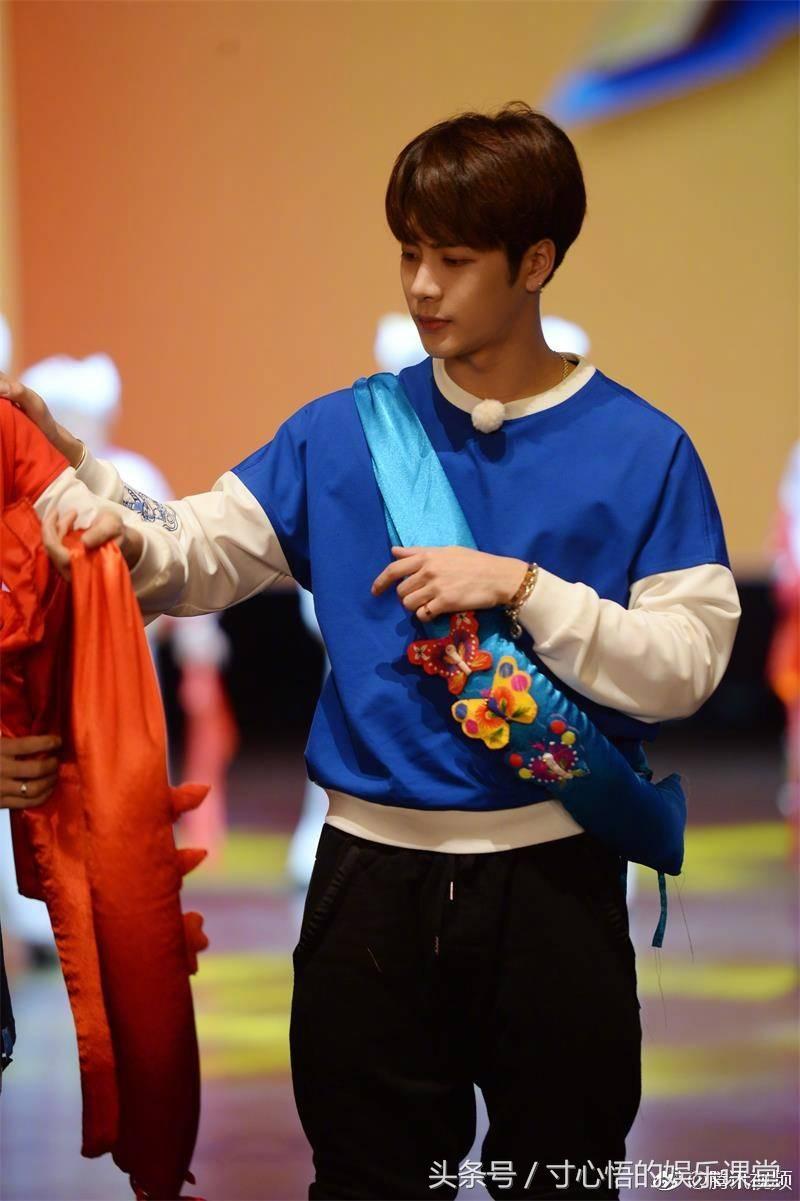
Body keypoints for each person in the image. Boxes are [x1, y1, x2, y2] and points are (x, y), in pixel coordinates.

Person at [8, 102, 741, 1200]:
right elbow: (195, 554)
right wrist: (84, 483)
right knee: (367, 1182)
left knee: (562, 1178)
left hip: (556, 882)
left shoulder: (644, 448)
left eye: (455, 259)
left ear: (536, 261)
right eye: (408, 254)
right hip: (369, 886)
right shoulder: (341, 431)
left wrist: (524, 588)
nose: (421, 287)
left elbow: (686, 664)